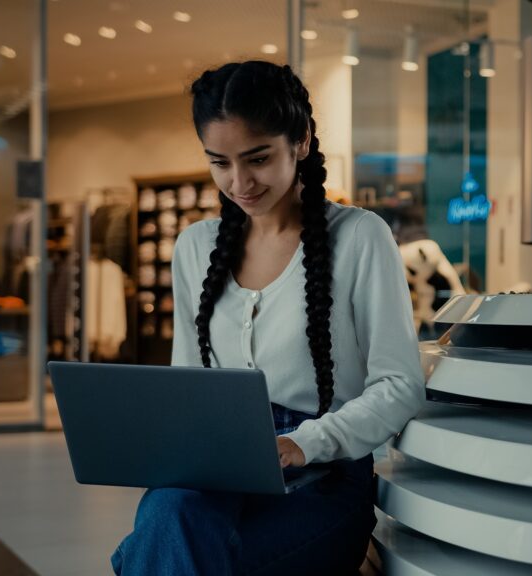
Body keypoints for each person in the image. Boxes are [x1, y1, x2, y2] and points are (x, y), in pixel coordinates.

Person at [111, 60, 425, 575]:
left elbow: (399, 385)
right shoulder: (195, 247)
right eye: (219, 163)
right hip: (218, 472)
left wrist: (301, 444)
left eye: (257, 158)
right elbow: (188, 386)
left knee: (180, 547)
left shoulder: (360, 237)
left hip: (326, 474)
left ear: (300, 140)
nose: (239, 182)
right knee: (171, 510)